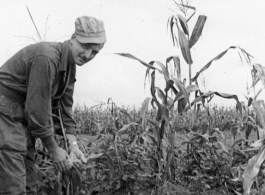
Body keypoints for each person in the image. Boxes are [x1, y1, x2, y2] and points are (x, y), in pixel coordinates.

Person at [0, 15, 106, 194]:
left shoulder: (70, 65)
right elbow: (37, 109)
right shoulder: (47, 57)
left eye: (94, 52)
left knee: (29, 185)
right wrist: (53, 149)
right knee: (14, 188)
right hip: (6, 114)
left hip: (20, 118)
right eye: (85, 46)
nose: (88, 55)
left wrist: (73, 147)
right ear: (73, 39)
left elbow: (65, 107)